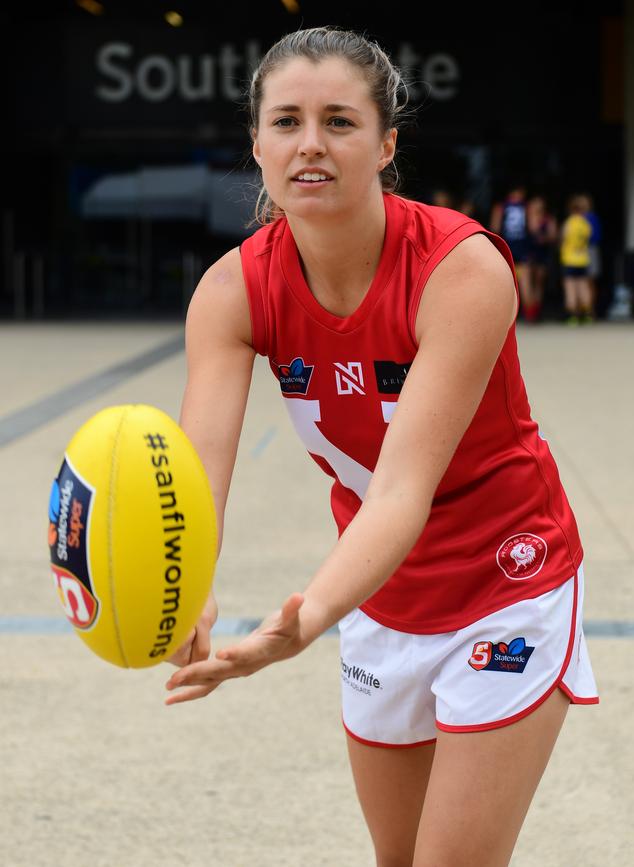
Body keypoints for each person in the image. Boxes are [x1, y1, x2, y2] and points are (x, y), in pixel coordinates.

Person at [164, 27, 598, 867]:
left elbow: (402, 489)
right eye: (286, 121)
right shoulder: (230, 290)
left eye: (340, 121)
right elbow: (194, 473)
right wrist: (186, 588)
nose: (310, 145)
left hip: (506, 578)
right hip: (382, 593)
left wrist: (304, 621)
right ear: (256, 142)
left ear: (387, 142)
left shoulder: (461, 269)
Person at [490, 183, 535, 322]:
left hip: (506, 247)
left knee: (504, 283)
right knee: (525, 283)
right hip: (522, 248)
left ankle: (505, 318)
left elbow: (494, 227)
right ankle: (530, 316)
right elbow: (532, 227)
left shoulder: (501, 207)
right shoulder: (527, 207)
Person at [560, 195, 594, 325]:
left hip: (569, 259)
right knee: (583, 287)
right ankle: (586, 313)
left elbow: (563, 238)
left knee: (570, 288)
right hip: (583, 259)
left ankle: (572, 315)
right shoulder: (585, 224)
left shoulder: (569, 223)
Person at [526, 194, 558, 322]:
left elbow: (553, 236)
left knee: (539, 282)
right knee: (528, 282)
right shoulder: (526, 217)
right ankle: (529, 310)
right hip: (529, 252)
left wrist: (544, 238)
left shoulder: (548, 219)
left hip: (542, 253)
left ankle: (535, 311)